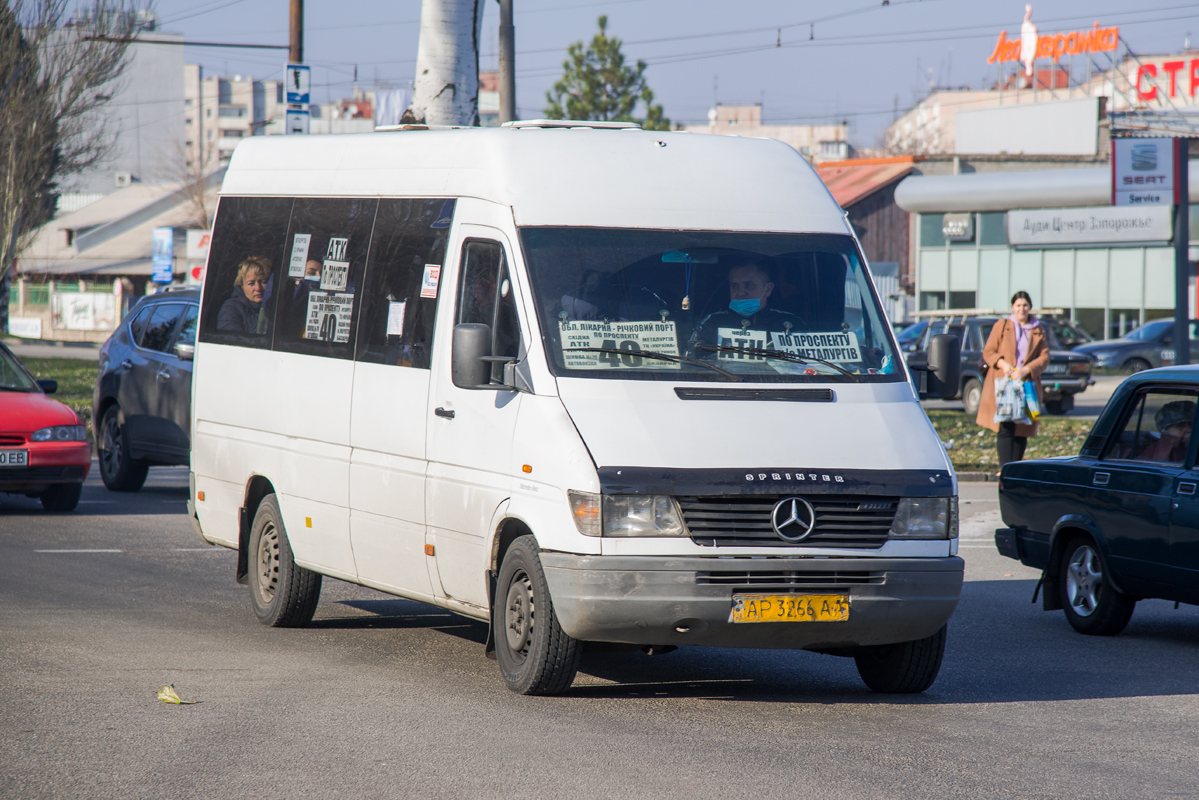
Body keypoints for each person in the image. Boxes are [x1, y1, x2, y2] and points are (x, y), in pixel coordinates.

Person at [977, 291, 1050, 469]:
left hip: (1026, 385)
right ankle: (1005, 469)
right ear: (1012, 307)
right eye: (1018, 305)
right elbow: (988, 352)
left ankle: (1015, 469)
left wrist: (1027, 369)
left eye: (1025, 305)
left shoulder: (1038, 329)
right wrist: (1002, 364)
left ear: (1030, 307)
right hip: (1004, 384)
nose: (1021, 309)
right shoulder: (1002, 325)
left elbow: (1044, 358)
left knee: (1022, 429)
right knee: (1006, 426)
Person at [690, 259, 800, 354]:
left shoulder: (790, 323)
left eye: (749, 285)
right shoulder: (713, 322)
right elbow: (695, 359)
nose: (740, 292)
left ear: (768, 289)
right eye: (734, 286)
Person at [217, 256, 272, 333]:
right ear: (242, 286)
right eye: (251, 283)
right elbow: (231, 340)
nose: (258, 288)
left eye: (263, 282)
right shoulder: (231, 308)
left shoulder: (274, 307)